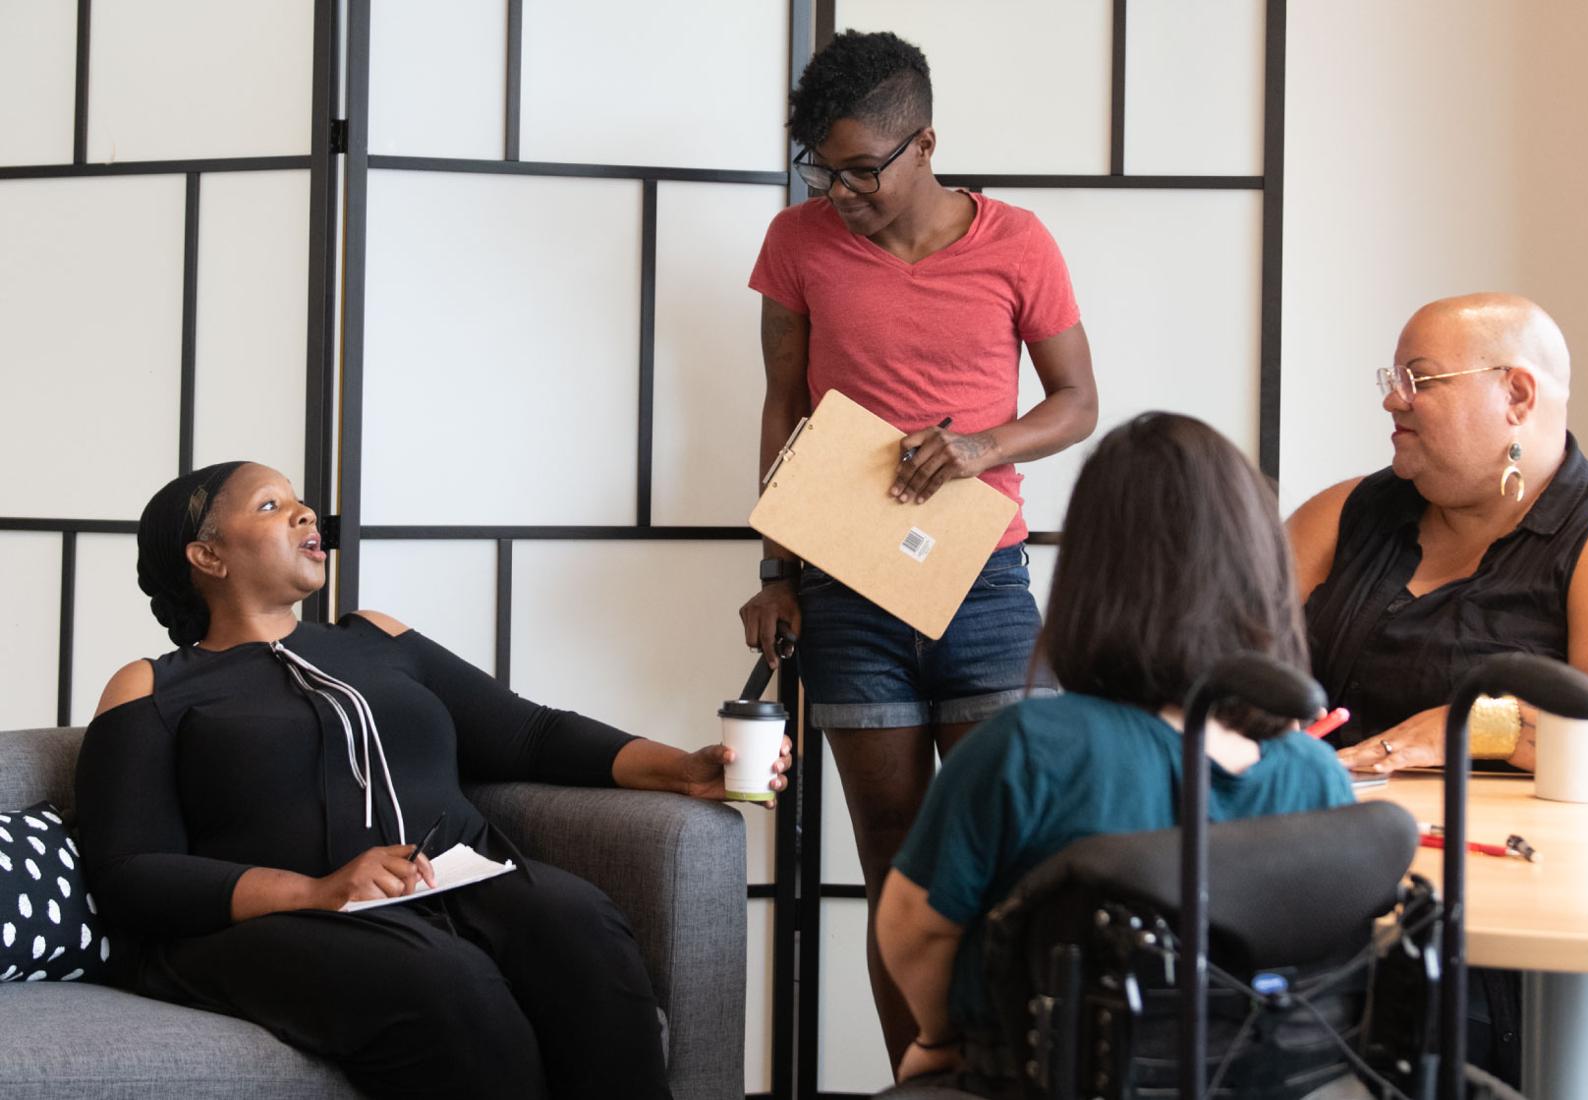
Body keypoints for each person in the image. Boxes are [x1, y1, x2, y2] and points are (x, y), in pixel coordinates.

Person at [75, 461, 792, 1100]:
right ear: (207, 556)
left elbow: (527, 732)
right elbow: (127, 870)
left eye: (299, 501)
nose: (303, 513)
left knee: (580, 924)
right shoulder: (151, 687)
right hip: (284, 919)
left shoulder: (375, 637)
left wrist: (683, 770)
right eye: (268, 506)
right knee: (447, 985)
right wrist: (317, 892)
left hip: (454, 876)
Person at [737, 30, 1098, 1067]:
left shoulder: (1016, 242)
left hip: (983, 582)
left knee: (1007, 855)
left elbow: (1077, 402)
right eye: (823, 170)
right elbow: (782, 406)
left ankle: (1010, 1073)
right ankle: (922, 1075)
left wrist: (983, 443)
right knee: (893, 857)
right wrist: (774, 567)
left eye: (861, 169)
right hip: (846, 581)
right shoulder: (796, 243)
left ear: (925, 141)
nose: (840, 192)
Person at [1287, 293, 1588, 1095]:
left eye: (1420, 379)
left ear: (1517, 394)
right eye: (1393, 377)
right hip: (1350, 891)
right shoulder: (1347, 513)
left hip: (1555, 929)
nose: (1391, 399)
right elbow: (1222, 656)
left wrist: (1481, 726)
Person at [873, 412, 1355, 1091]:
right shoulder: (1314, 775)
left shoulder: (1030, 750)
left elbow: (912, 931)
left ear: (1091, 574)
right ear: (1261, 570)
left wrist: (940, 1038)